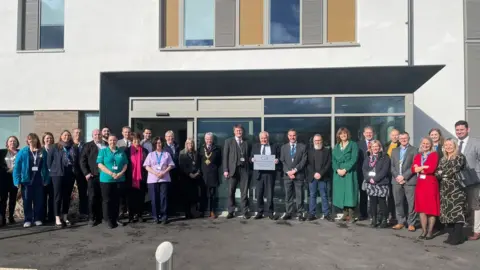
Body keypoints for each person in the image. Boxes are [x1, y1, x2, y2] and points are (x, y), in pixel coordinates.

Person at [13, 133, 49, 227]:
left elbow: (46, 166)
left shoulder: (42, 151)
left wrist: (46, 179)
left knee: (39, 200)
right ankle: (27, 219)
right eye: (29, 139)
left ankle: (37, 218)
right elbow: (17, 167)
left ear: (37, 140)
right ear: (27, 141)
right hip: (26, 180)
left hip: (39, 179)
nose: (31, 141)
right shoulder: (23, 152)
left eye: (33, 139)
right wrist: (16, 181)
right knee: (27, 200)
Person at [435, 138, 467, 245]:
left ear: (455, 145)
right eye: (446, 145)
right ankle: (451, 235)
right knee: (447, 213)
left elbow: (453, 170)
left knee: (457, 213)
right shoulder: (443, 159)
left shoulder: (459, 156)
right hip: (444, 190)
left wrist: (442, 173)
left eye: (450, 145)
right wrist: (442, 173)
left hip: (456, 190)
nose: (448, 147)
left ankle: (457, 237)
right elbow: (437, 172)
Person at [455, 120, 480, 240]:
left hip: (474, 179)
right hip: (459, 180)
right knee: (462, 205)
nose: (459, 132)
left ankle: (477, 230)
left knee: (475, 205)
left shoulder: (476, 142)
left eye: (462, 129)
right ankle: (463, 227)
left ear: (467, 130)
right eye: (457, 130)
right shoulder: (455, 144)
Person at [47, 130, 78, 228]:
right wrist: (54, 171)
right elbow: (49, 161)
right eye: (65, 135)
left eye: (68, 135)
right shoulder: (55, 146)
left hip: (70, 174)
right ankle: (57, 218)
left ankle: (65, 217)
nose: (67, 137)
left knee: (67, 196)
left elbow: (76, 160)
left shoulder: (74, 147)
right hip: (57, 174)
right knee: (57, 196)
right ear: (61, 136)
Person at [97, 134, 128, 229]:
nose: (112, 142)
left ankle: (115, 219)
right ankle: (108, 220)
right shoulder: (103, 151)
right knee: (107, 200)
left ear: (117, 141)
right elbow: (100, 165)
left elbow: (125, 164)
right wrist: (111, 173)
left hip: (119, 179)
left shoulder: (121, 152)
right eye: (110, 140)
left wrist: (121, 173)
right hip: (106, 180)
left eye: (114, 140)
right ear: (108, 141)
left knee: (116, 200)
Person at [412, 136, 439, 240]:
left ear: (431, 145)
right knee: (421, 209)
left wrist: (420, 168)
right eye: (423, 143)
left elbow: (431, 169)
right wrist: (423, 167)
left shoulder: (434, 155)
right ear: (421, 144)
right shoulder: (418, 156)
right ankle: (424, 231)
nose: (425, 145)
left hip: (431, 184)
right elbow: (413, 169)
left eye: (427, 143)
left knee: (431, 209)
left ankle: (430, 231)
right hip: (420, 184)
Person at [144, 136, 175, 224]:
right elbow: (146, 166)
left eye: (160, 142)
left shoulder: (166, 154)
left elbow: (171, 165)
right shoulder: (150, 154)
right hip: (153, 179)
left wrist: (163, 172)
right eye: (157, 143)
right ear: (154, 144)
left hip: (164, 179)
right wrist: (155, 173)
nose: (159, 144)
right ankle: (155, 217)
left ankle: (164, 216)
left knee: (164, 198)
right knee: (154, 199)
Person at [223, 124, 251, 219]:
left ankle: (245, 211)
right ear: (234, 132)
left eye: (240, 130)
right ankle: (231, 211)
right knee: (231, 191)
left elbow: (249, 156)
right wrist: (225, 170)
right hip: (232, 170)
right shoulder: (228, 141)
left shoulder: (247, 142)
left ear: (242, 132)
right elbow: (225, 157)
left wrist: (252, 160)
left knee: (244, 192)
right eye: (237, 130)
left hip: (244, 170)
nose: (239, 132)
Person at [391, 132, 418, 231]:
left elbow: (414, 165)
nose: (403, 140)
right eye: (401, 138)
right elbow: (392, 166)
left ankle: (411, 223)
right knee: (398, 202)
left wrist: (404, 176)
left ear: (409, 138)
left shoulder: (414, 150)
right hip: (396, 180)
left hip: (410, 180)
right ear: (398, 139)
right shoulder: (394, 151)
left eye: (405, 138)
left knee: (411, 203)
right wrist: (398, 176)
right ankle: (400, 221)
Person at [250, 131, 280, 220]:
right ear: (259, 139)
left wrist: (277, 160)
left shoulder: (274, 146)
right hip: (259, 173)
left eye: (265, 138)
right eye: (262, 138)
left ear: (268, 138)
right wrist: (252, 159)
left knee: (270, 194)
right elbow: (250, 157)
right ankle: (260, 212)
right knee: (259, 194)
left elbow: (279, 157)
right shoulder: (255, 146)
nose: (264, 139)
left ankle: (270, 212)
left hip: (270, 174)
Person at [280, 129, 308, 221]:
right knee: (288, 195)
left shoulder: (302, 147)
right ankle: (288, 213)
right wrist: (288, 172)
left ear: (297, 136)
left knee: (299, 195)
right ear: (288, 136)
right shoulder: (283, 147)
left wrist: (295, 170)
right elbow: (282, 161)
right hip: (287, 176)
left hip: (298, 175)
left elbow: (303, 161)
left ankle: (300, 213)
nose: (292, 137)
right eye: (290, 135)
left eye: (294, 135)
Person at [362, 140, 391, 228]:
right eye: (373, 146)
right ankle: (374, 219)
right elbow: (364, 169)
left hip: (381, 183)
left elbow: (384, 170)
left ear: (380, 147)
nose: (375, 148)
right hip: (370, 183)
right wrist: (369, 179)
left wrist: (375, 179)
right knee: (372, 202)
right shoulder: (368, 157)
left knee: (382, 202)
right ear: (370, 148)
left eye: (377, 146)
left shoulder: (385, 157)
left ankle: (384, 219)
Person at [332, 127, 359, 223]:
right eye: (341, 134)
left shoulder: (353, 145)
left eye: (345, 133)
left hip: (349, 172)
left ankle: (351, 215)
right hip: (339, 173)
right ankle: (345, 213)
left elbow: (354, 159)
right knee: (341, 193)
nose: (343, 135)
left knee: (350, 193)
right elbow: (333, 160)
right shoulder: (337, 146)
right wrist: (337, 169)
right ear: (338, 135)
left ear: (348, 135)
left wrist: (345, 169)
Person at [80, 129, 105, 227]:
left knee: (103, 197)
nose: (97, 136)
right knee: (92, 197)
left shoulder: (106, 145)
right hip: (92, 175)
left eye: (99, 134)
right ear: (92, 136)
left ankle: (101, 217)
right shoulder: (87, 146)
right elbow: (82, 160)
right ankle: (92, 218)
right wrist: (86, 173)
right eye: (95, 134)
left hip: (104, 176)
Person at [306, 134, 333, 221]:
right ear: (313, 142)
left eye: (319, 140)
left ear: (322, 141)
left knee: (324, 195)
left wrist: (320, 173)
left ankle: (326, 214)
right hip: (312, 177)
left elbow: (328, 164)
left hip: (323, 177)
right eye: (316, 141)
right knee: (312, 195)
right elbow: (307, 164)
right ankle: (312, 214)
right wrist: (314, 173)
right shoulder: (309, 151)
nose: (317, 142)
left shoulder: (327, 151)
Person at [124, 133, 148, 223]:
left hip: (142, 178)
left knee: (140, 198)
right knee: (131, 198)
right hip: (130, 178)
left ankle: (140, 214)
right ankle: (131, 215)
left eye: (138, 140)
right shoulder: (127, 151)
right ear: (131, 141)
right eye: (134, 141)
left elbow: (147, 163)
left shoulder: (145, 151)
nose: (136, 142)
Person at [199, 132, 221, 218]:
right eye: (207, 139)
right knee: (203, 194)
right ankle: (203, 211)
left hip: (213, 175)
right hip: (203, 175)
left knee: (212, 195)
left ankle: (212, 211)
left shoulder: (217, 149)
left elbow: (219, 162)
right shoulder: (200, 148)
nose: (209, 140)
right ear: (205, 139)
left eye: (210, 139)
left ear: (212, 140)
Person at [179, 138, 202, 219]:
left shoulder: (196, 153)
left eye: (191, 143)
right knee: (187, 196)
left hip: (195, 178)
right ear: (186, 144)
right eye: (188, 143)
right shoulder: (182, 153)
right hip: (186, 178)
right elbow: (182, 166)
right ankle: (187, 213)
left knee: (194, 196)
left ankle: (194, 212)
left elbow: (199, 164)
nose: (190, 145)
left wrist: (197, 172)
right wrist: (189, 174)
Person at [0, 136, 20, 226]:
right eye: (10, 141)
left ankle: (11, 216)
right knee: (3, 199)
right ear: (7, 143)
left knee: (13, 199)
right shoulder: (2, 152)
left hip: (14, 179)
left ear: (17, 143)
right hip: (4, 179)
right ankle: (2, 218)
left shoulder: (20, 152)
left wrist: (15, 170)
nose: (12, 143)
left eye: (14, 141)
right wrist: (7, 169)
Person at [357, 126, 374, 220]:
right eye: (367, 132)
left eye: (370, 132)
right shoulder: (359, 144)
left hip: (374, 172)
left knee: (374, 194)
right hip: (362, 172)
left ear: (373, 133)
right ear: (363, 134)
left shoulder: (377, 144)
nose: (368, 134)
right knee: (363, 194)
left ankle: (374, 214)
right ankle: (363, 214)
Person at [384, 129, 400, 224]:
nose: (394, 137)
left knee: (397, 196)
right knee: (389, 196)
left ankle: (398, 215)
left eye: (396, 135)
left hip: (397, 173)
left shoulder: (401, 145)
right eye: (393, 135)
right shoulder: (386, 145)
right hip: (387, 173)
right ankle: (392, 215)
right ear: (390, 136)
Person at [72, 128, 88, 219]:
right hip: (71, 172)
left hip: (82, 172)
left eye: (79, 132)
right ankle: (68, 212)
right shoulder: (70, 145)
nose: (78, 134)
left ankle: (83, 212)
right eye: (76, 132)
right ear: (73, 134)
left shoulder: (85, 145)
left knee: (83, 193)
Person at [41, 132, 54, 223]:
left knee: (52, 198)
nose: (49, 140)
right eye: (47, 138)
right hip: (43, 178)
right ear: (43, 140)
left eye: (50, 138)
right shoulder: (40, 150)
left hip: (53, 178)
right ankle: (43, 216)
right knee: (42, 199)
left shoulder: (56, 149)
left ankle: (51, 216)